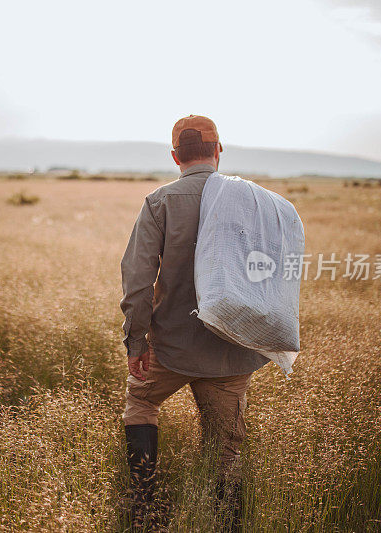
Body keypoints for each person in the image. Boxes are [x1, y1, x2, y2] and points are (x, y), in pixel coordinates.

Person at [120, 115, 269, 528]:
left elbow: (137, 279)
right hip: (233, 349)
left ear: (175, 157)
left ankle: (144, 506)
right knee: (225, 452)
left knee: (142, 403)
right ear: (219, 151)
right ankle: (228, 523)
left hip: (169, 347)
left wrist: (136, 341)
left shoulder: (160, 202)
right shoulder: (255, 201)